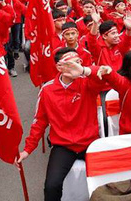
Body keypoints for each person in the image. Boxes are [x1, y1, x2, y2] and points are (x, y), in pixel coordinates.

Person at [15, 47, 106, 201]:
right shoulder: (47, 90)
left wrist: (84, 71)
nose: (76, 66)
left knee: (106, 182)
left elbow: (103, 78)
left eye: (79, 63)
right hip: (64, 146)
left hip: (90, 142)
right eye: (72, 63)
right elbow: (39, 122)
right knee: (51, 186)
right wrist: (27, 150)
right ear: (59, 67)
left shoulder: (88, 84)